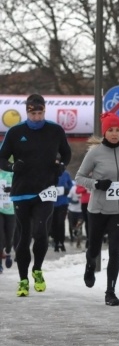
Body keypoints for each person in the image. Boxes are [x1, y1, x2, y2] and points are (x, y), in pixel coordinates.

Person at [0, 94, 71, 297]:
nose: (37, 117)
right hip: (22, 192)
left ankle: (37, 270)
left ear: (44, 111)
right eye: (33, 113)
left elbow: (66, 153)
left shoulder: (55, 130)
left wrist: (61, 166)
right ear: (27, 112)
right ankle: (23, 280)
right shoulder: (15, 132)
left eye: (40, 113)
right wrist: (12, 166)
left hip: (45, 190)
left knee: (40, 233)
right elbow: (2, 158)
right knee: (24, 237)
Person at [75, 112, 119, 306]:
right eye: (110, 130)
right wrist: (97, 184)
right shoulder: (94, 153)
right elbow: (79, 177)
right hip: (99, 209)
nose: (114, 133)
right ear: (105, 132)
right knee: (94, 247)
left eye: (117, 130)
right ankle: (89, 264)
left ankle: (110, 292)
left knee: (115, 251)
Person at [51, 167, 73, 252]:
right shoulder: (50, 171)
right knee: (54, 223)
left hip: (63, 202)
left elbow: (71, 184)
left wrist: (67, 190)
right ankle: (56, 242)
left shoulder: (66, 173)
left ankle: (61, 242)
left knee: (60, 222)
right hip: (52, 202)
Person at [0, 166, 15, 273]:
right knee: (0, 236)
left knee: (9, 236)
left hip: (11, 210)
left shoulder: (14, 175)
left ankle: (8, 252)